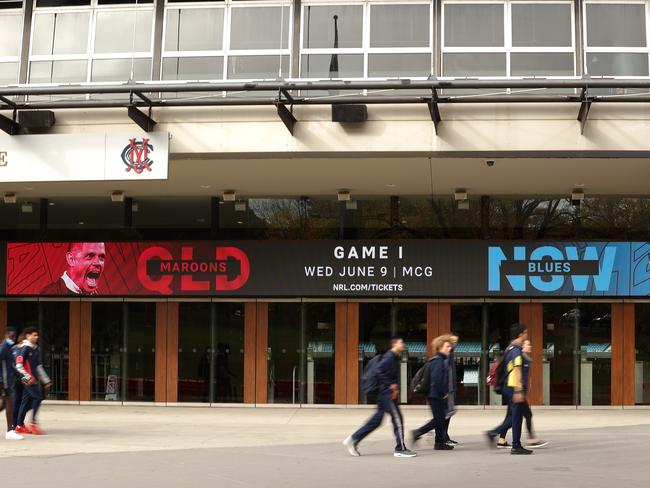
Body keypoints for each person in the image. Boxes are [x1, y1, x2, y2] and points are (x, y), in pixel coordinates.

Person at [343, 336, 416, 457]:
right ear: (394, 345)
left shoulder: (393, 357)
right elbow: (378, 370)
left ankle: (353, 439)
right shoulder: (389, 357)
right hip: (387, 394)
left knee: (376, 420)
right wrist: (391, 385)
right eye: (401, 342)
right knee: (398, 419)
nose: (403, 345)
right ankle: (400, 449)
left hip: (384, 394)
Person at [486, 323, 532, 455]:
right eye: (526, 333)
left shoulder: (509, 348)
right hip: (513, 387)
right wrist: (518, 390)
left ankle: (503, 438)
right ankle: (514, 445)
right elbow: (517, 370)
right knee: (516, 417)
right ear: (520, 334)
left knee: (516, 416)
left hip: (508, 386)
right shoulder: (516, 350)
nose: (527, 335)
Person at [497, 339, 548, 449]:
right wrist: (519, 391)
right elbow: (518, 375)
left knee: (511, 416)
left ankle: (501, 439)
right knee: (525, 415)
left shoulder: (523, 357)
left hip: (515, 391)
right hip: (517, 392)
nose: (530, 346)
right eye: (528, 344)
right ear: (523, 346)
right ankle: (494, 433)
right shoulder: (520, 357)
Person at [411, 335, 454, 451]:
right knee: (439, 419)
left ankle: (439, 443)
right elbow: (436, 380)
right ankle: (417, 432)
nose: (450, 348)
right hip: (434, 395)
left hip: (435, 394)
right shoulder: (437, 361)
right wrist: (443, 393)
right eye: (447, 346)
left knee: (440, 418)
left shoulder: (441, 359)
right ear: (440, 347)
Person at [15, 327, 51, 435]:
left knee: (25, 402)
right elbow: (18, 366)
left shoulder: (35, 349)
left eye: (37, 335)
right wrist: (27, 378)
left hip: (32, 380)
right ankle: (33, 424)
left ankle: (19, 426)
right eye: (34, 335)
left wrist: (46, 380)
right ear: (28, 336)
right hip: (27, 380)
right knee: (38, 397)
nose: (37, 337)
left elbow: (38, 367)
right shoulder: (25, 348)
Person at [41, 242, 106, 295]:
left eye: (101, 257)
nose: (97, 263)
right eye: (90, 256)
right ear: (71, 259)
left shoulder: (97, 295)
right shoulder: (50, 294)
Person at [0, 327, 22, 440]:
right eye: (11, 336)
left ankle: (10, 431)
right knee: (10, 403)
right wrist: (2, 381)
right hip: (3, 382)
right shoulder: (3, 348)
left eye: (15, 337)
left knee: (4, 405)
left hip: (6, 381)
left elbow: (12, 368)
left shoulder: (10, 348)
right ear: (6, 335)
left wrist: (22, 377)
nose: (13, 339)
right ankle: (10, 431)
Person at [444, 331, 459, 445]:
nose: (454, 344)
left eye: (456, 342)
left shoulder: (451, 354)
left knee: (448, 413)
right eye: (452, 341)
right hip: (447, 389)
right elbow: (445, 373)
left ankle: (445, 435)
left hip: (450, 388)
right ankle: (443, 436)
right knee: (447, 413)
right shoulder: (447, 355)